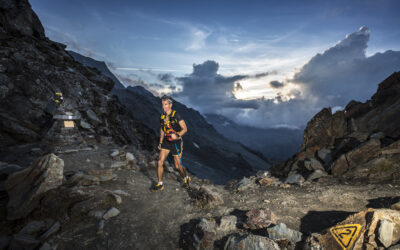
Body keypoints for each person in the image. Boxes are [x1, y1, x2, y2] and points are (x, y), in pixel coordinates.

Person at [153, 95, 190, 191]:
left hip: (176, 142)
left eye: (165, 105)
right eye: (162, 105)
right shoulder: (162, 116)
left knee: (177, 166)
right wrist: (161, 141)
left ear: (170, 104)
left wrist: (177, 135)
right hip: (166, 141)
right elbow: (162, 129)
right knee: (160, 162)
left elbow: (185, 129)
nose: (163, 107)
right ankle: (160, 183)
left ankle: (186, 178)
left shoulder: (176, 115)